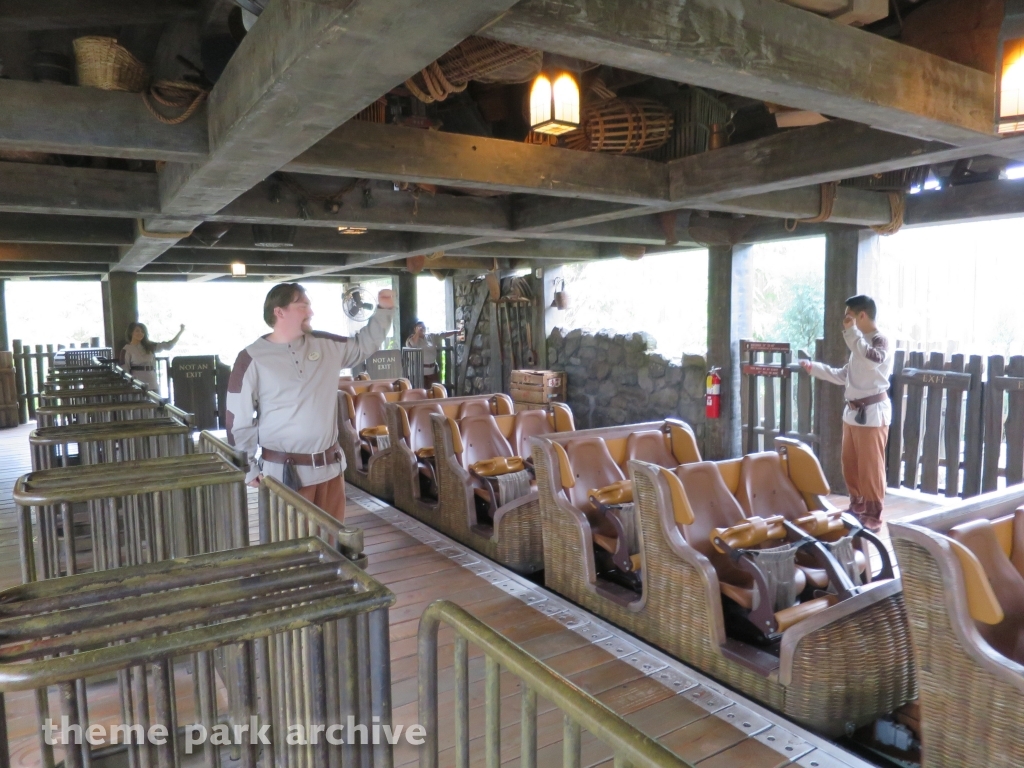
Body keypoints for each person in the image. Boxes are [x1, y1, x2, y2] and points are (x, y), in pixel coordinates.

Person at [225, 282, 394, 522]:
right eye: (302, 305)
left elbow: (365, 345)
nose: (310, 312)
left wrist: (384, 310)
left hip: (331, 470)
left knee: (333, 545)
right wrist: (248, 466)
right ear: (279, 311)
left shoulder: (327, 345)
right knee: (291, 550)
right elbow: (237, 418)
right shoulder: (251, 357)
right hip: (284, 476)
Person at [800, 295, 892, 532]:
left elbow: (873, 361)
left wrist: (852, 334)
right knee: (850, 464)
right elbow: (845, 375)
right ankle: (857, 507)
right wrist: (815, 369)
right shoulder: (858, 344)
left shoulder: (880, 340)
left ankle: (874, 514)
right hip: (852, 412)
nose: (846, 320)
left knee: (871, 467)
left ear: (861, 315)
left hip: (872, 413)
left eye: (849, 315)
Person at [122, 322, 185, 391]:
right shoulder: (126, 349)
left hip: (152, 381)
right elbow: (125, 368)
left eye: (142, 332)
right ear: (131, 332)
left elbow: (168, 345)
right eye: (137, 331)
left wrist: (180, 332)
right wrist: (129, 384)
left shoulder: (150, 346)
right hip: (137, 382)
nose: (140, 333)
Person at [404, 320, 457, 387]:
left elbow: (443, 334)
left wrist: (456, 332)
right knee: (421, 392)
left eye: (423, 327)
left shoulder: (431, 336)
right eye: (419, 327)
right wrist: (417, 333)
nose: (421, 329)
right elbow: (413, 344)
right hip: (418, 372)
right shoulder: (410, 339)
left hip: (432, 371)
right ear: (415, 329)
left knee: (434, 391)